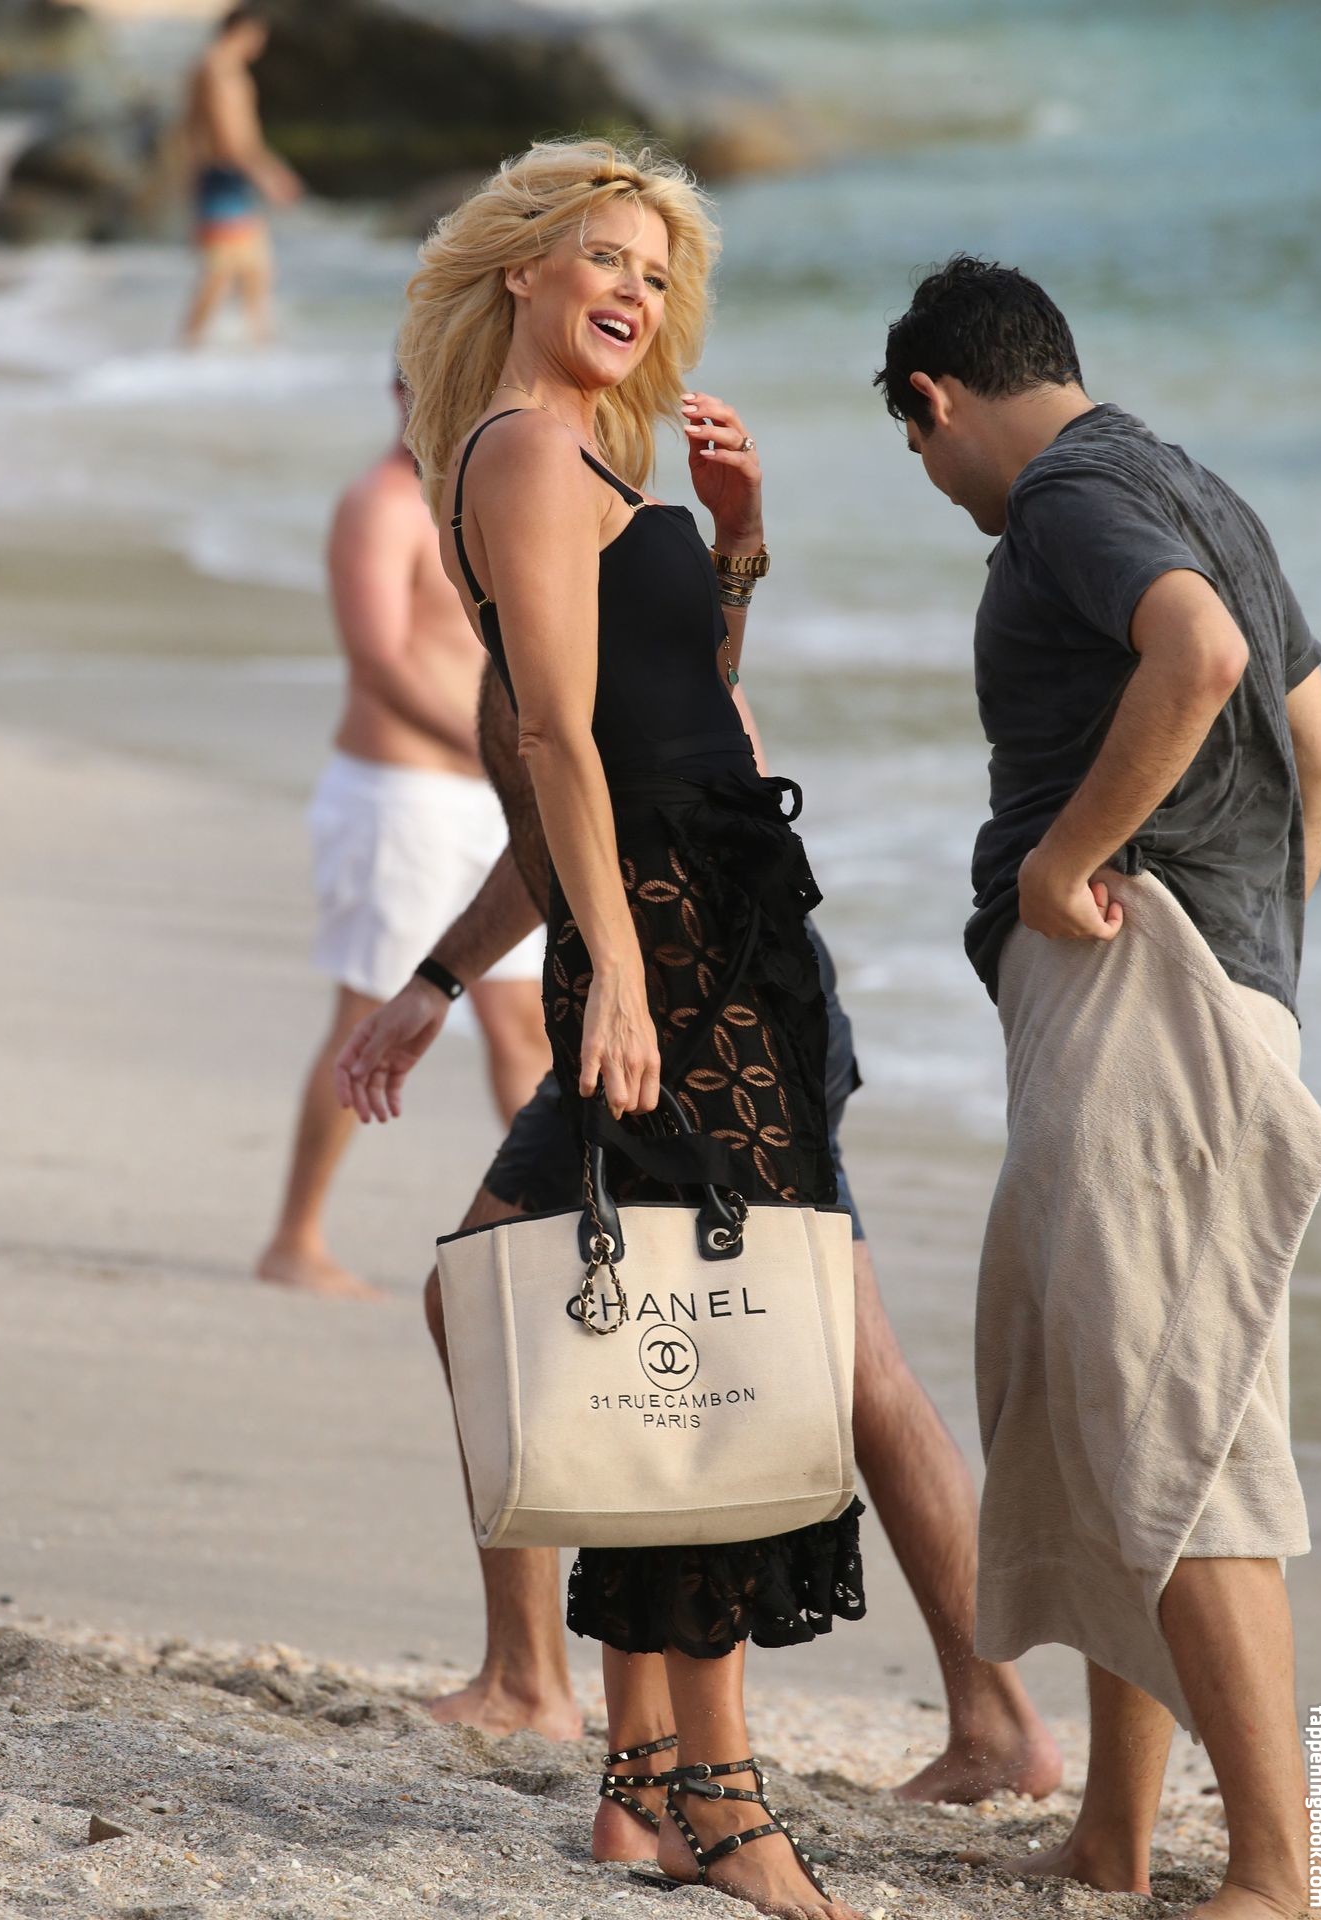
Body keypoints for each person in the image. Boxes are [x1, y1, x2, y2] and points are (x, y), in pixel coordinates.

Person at [378, 134, 868, 1920]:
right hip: (670, 936)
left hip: (710, 912)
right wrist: (624, 971)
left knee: (669, 1319)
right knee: (713, 1349)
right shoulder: (519, 450)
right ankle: (720, 1805)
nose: (634, 295)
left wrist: (736, 545)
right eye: (604, 257)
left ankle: (643, 1784)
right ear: (522, 267)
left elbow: (680, 704)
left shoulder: (591, 458)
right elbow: (558, 746)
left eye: (657, 276)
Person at [339, 660, 1064, 1807]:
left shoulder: (591, 610)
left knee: (516, 1304)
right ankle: (990, 1719)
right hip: (679, 1005)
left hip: (702, 1020)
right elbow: (566, 836)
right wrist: (440, 978)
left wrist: (665, 1024)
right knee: (829, 1348)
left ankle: (539, 1683)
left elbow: (689, 821)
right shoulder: (557, 614)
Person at [878, 254, 1321, 1920]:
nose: (935, 486)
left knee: (1170, 1422)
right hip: (1209, 988)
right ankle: (1111, 1837)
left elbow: (1194, 657)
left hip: (1140, 987)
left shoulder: (1064, 499)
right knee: (1103, 1412)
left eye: (917, 451)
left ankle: (1275, 1870)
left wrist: (1064, 861)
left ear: (930, 399)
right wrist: (1251, 952)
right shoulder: (1194, 486)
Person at [256, 377, 550, 1300]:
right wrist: (503, 754)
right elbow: (380, 662)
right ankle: (295, 1238)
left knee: (524, 1021)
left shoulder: (484, 503)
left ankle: (558, 1229)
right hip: (401, 798)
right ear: (399, 390)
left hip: (492, 801)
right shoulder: (379, 505)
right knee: (369, 1012)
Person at [179, 6, 301, 348]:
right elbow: (229, 142)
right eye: (259, 35)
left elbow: (242, 138)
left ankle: (255, 353)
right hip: (223, 179)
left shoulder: (221, 68)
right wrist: (267, 177)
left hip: (226, 178)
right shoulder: (219, 70)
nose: (261, 44)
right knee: (222, 273)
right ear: (245, 31)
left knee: (254, 270)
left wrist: (273, 169)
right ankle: (188, 349)